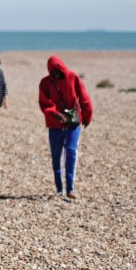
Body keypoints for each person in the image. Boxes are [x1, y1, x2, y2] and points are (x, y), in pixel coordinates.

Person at [38, 56, 93, 199]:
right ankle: (59, 189)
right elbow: (44, 103)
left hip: (73, 124)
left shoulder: (73, 77)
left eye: (58, 70)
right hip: (55, 126)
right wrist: (54, 114)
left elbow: (84, 97)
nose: (56, 73)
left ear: (62, 67)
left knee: (71, 152)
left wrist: (87, 116)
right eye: (53, 71)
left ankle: (70, 189)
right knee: (56, 156)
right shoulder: (45, 83)